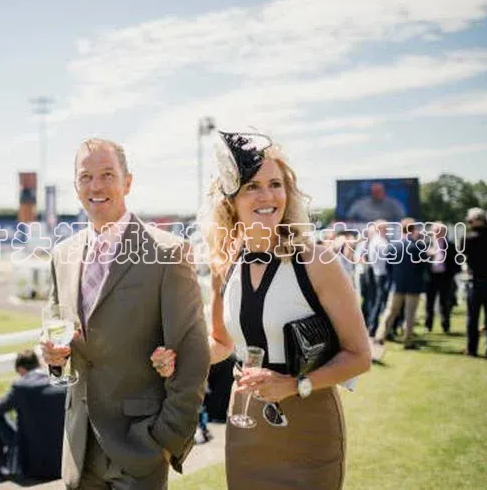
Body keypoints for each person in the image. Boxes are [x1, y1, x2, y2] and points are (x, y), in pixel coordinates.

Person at [158, 131, 370, 489]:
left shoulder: (317, 261)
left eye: (275, 184)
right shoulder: (225, 263)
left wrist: (294, 385)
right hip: (246, 419)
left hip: (309, 422)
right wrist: (181, 358)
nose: (267, 196)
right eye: (252, 186)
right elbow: (221, 343)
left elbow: (359, 356)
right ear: (231, 201)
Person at [41, 138, 210, 489]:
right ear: (76, 186)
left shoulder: (168, 253)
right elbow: (55, 335)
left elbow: (193, 356)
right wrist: (54, 358)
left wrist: (167, 439)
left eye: (107, 175)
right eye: (86, 177)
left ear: (127, 182)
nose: (96, 186)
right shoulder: (62, 256)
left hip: (140, 448)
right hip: (79, 447)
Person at [0, 349, 67, 480]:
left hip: (32, 467)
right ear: (38, 364)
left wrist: (14, 437)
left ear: (21, 369)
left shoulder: (21, 387)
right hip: (63, 462)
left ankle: (0, 470)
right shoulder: (60, 382)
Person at [373, 218, 429, 351]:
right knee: (410, 314)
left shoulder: (393, 245)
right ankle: (408, 340)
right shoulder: (418, 246)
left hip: (396, 284)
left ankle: (380, 336)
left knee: (390, 311)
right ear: (413, 229)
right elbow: (424, 266)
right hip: (413, 285)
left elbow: (388, 266)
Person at [461, 207, 487, 359]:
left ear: (476, 221)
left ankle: (472, 348)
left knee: (472, 317)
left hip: (475, 281)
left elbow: (463, 257)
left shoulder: (467, 238)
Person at [425, 222, 459, 333]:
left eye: (440, 231)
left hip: (445, 277)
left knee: (445, 302)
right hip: (431, 277)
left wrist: (451, 275)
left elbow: (456, 263)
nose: (438, 234)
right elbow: (420, 262)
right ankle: (428, 325)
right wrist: (427, 255)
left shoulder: (451, 245)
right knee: (429, 303)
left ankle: (445, 326)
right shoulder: (427, 244)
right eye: (436, 231)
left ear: (445, 233)